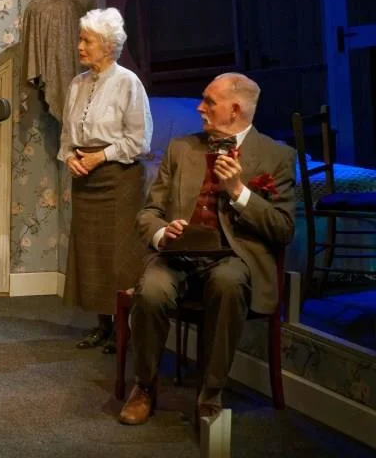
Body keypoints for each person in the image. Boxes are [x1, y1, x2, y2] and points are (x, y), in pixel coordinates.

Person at [118, 72, 295, 425]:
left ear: (235, 110)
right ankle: (144, 386)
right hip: (178, 256)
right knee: (151, 289)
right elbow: (149, 212)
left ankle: (211, 393)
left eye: (209, 102)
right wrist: (163, 232)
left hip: (234, 258)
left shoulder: (275, 156)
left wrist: (239, 192)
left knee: (228, 283)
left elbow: (283, 228)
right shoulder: (182, 148)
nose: (200, 108)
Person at [58, 7, 152, 354]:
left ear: (109, 46)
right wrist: (70, 157)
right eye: (81, 39)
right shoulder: (77, 83)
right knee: (91, 253)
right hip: (85, 179)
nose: (80, 46)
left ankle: (123, 329)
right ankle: (102, 325)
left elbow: (139, 141)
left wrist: (100, 157)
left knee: (119, 255)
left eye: (88, 41)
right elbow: (67, 135)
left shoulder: (127, 82)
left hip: (118, 179)